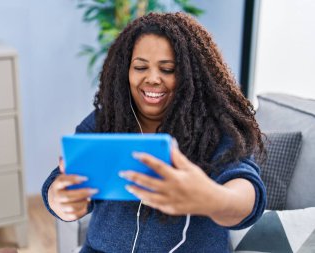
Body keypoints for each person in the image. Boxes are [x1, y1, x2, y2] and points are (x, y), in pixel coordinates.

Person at [42, 12, 266, 252]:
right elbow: (59, 182)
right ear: (124, 71)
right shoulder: (106, 120)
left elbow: (247, 192)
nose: (152, 78)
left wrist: (212, 199)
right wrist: (61, 199)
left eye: (167, 69)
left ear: (193, 74)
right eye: (140, 67)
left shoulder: (216, 129)